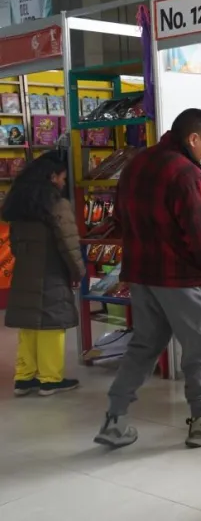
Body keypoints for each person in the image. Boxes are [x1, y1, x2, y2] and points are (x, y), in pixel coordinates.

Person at [94, 108, 201, 450]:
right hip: (182, 279)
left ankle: (114, 419)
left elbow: (119, 219)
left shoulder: (136, 164)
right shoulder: (187, 174)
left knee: (144, 345)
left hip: (142, 276)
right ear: (193, 138)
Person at [3, 152, 85, 397]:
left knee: (28, 325)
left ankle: (24, 377)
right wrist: (78, 272)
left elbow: (15, 243)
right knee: (52, 324)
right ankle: (50, 379)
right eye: (62, 177)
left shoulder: (19, 205)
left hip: (25, 270)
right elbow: (68, 244)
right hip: (52, 272)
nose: (63, 182)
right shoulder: (57, 205)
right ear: (52, 177)